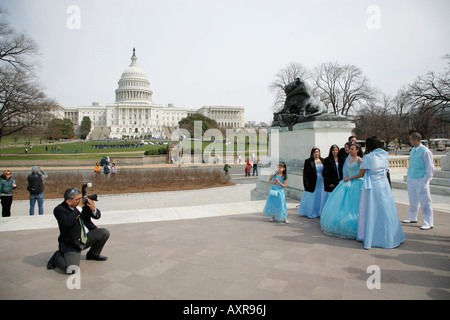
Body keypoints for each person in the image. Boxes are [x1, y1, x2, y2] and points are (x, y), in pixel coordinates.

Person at [355, 136, 405, 249]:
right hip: (384, 184)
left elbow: (362, 173)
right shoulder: (385, 155)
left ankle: (372, 237)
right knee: (387, 209)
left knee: (372, 210)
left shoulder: (368, 157)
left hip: (373, 185)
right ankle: (392, 236)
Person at [47, 188, 110, 274]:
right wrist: (79, 208)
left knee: (104, 233)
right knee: (72, 269)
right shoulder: (59, 210)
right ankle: (56, 257)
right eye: (77, 199)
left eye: (81, 198)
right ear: (69, 202)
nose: (81, 201)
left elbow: (97, 216)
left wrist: (93, 209)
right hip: (72, 243)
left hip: (85, 237)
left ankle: (93, 254)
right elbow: (67, 223)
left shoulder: (82, 204)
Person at [320, 143, 363, 239]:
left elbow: (362, 174)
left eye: (352, 149)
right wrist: (346, 177)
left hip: (356, 183)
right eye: (350, 149)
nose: (350, 150)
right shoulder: (349, 159)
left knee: (354, 203)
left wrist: (350, 178)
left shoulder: (359, 159)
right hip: (347, 181)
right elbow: (347, 170)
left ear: (357, 150)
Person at [402, 132, 434, 230]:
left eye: (411, 139)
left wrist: (426, 179)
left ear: (415, 139)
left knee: (425, 201)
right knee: (412, 199)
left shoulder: (425, 151)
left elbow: (430, 167)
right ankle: (412, 217)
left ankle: (428, 222)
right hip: (412, 177)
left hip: (421, 178)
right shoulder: (413, 150)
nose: (410, 141)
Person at [298, 147, 328, 218]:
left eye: (318, 152)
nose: (316, 153)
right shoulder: (308, 161)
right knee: (312, 197)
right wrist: (306, 184)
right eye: (315, 152)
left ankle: (319, 212)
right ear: (312, 153)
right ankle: (310, 212)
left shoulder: (323, 160)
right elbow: (305, 174)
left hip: (321, 182)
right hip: (312, 182)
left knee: (320, 197)